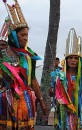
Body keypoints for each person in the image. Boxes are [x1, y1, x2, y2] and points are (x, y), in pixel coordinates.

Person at [0, 1, 47, 129]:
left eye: (27, 35)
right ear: (13, 35)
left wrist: (41, 102)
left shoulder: (29, 55)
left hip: (25, 102)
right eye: (22, 35)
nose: (26, 38)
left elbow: (33, 79)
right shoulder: (1, 54)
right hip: (5, 101)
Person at [49, 28, 82, 130]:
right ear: (66, 59)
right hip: (65, 113)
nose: (73, 60)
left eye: (76, 58)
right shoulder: (58, 76)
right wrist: (53, 88)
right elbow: (52, 94)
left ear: (80, 60)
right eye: (70, 58)